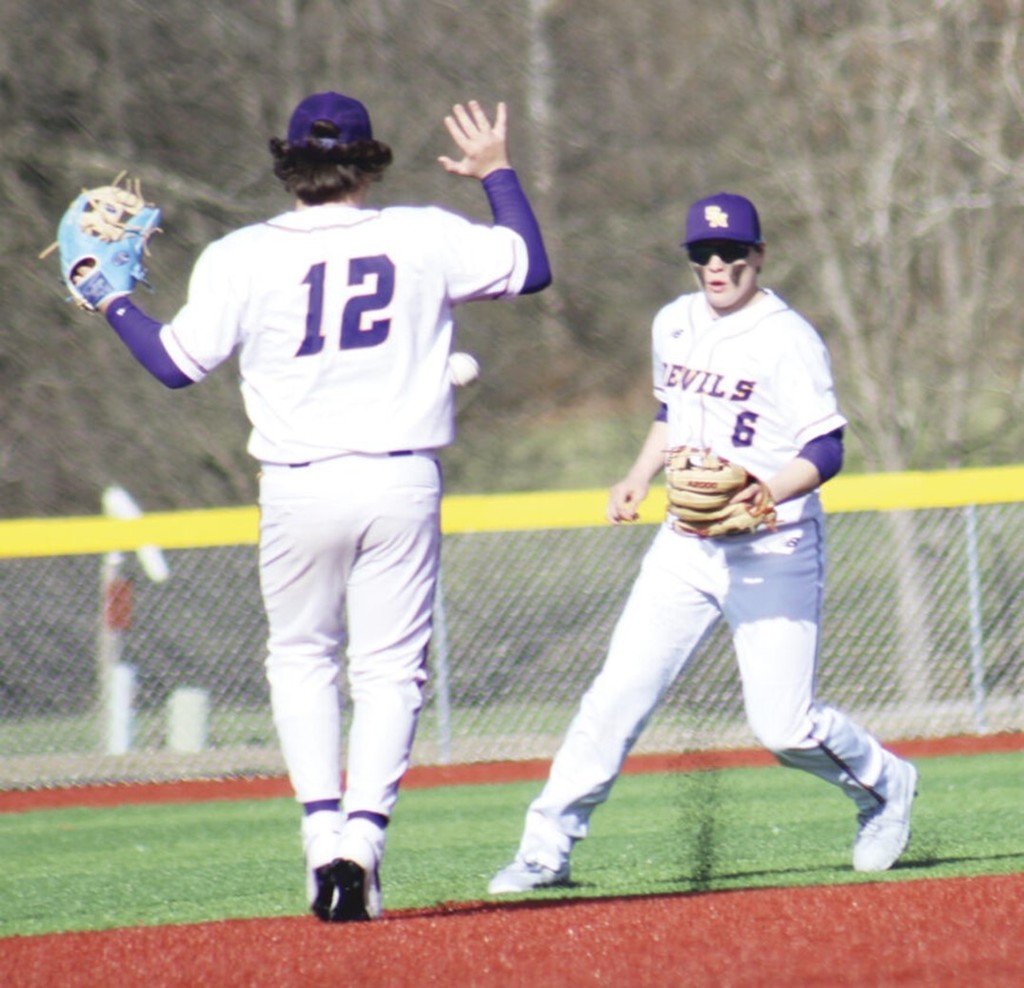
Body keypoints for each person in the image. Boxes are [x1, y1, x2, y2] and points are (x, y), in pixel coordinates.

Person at [92, 92, 551, 921]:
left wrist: (112, 301)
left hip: (298, 486)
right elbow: (529, 264)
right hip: (399, 481)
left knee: (302, 659)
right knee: (388, 673)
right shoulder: (420, 233)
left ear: (288, 164)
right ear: (369, 161)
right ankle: (363, 844)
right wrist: (496, 173)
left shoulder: (239, 255)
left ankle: (319, 841)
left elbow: (172, 365)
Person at [488, 191, 916, 895]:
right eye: (702, 255)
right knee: (617, 694)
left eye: (731, 253)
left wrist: (768, 493)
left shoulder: (788, 338)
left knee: (782, 728)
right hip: (684, 546)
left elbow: (828, 446)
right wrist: (635, 474)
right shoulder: (674, 323)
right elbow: (671, 411)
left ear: (759, 254)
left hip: (773, 547)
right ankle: (545, 850)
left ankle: (884, 784)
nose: (716, 266)